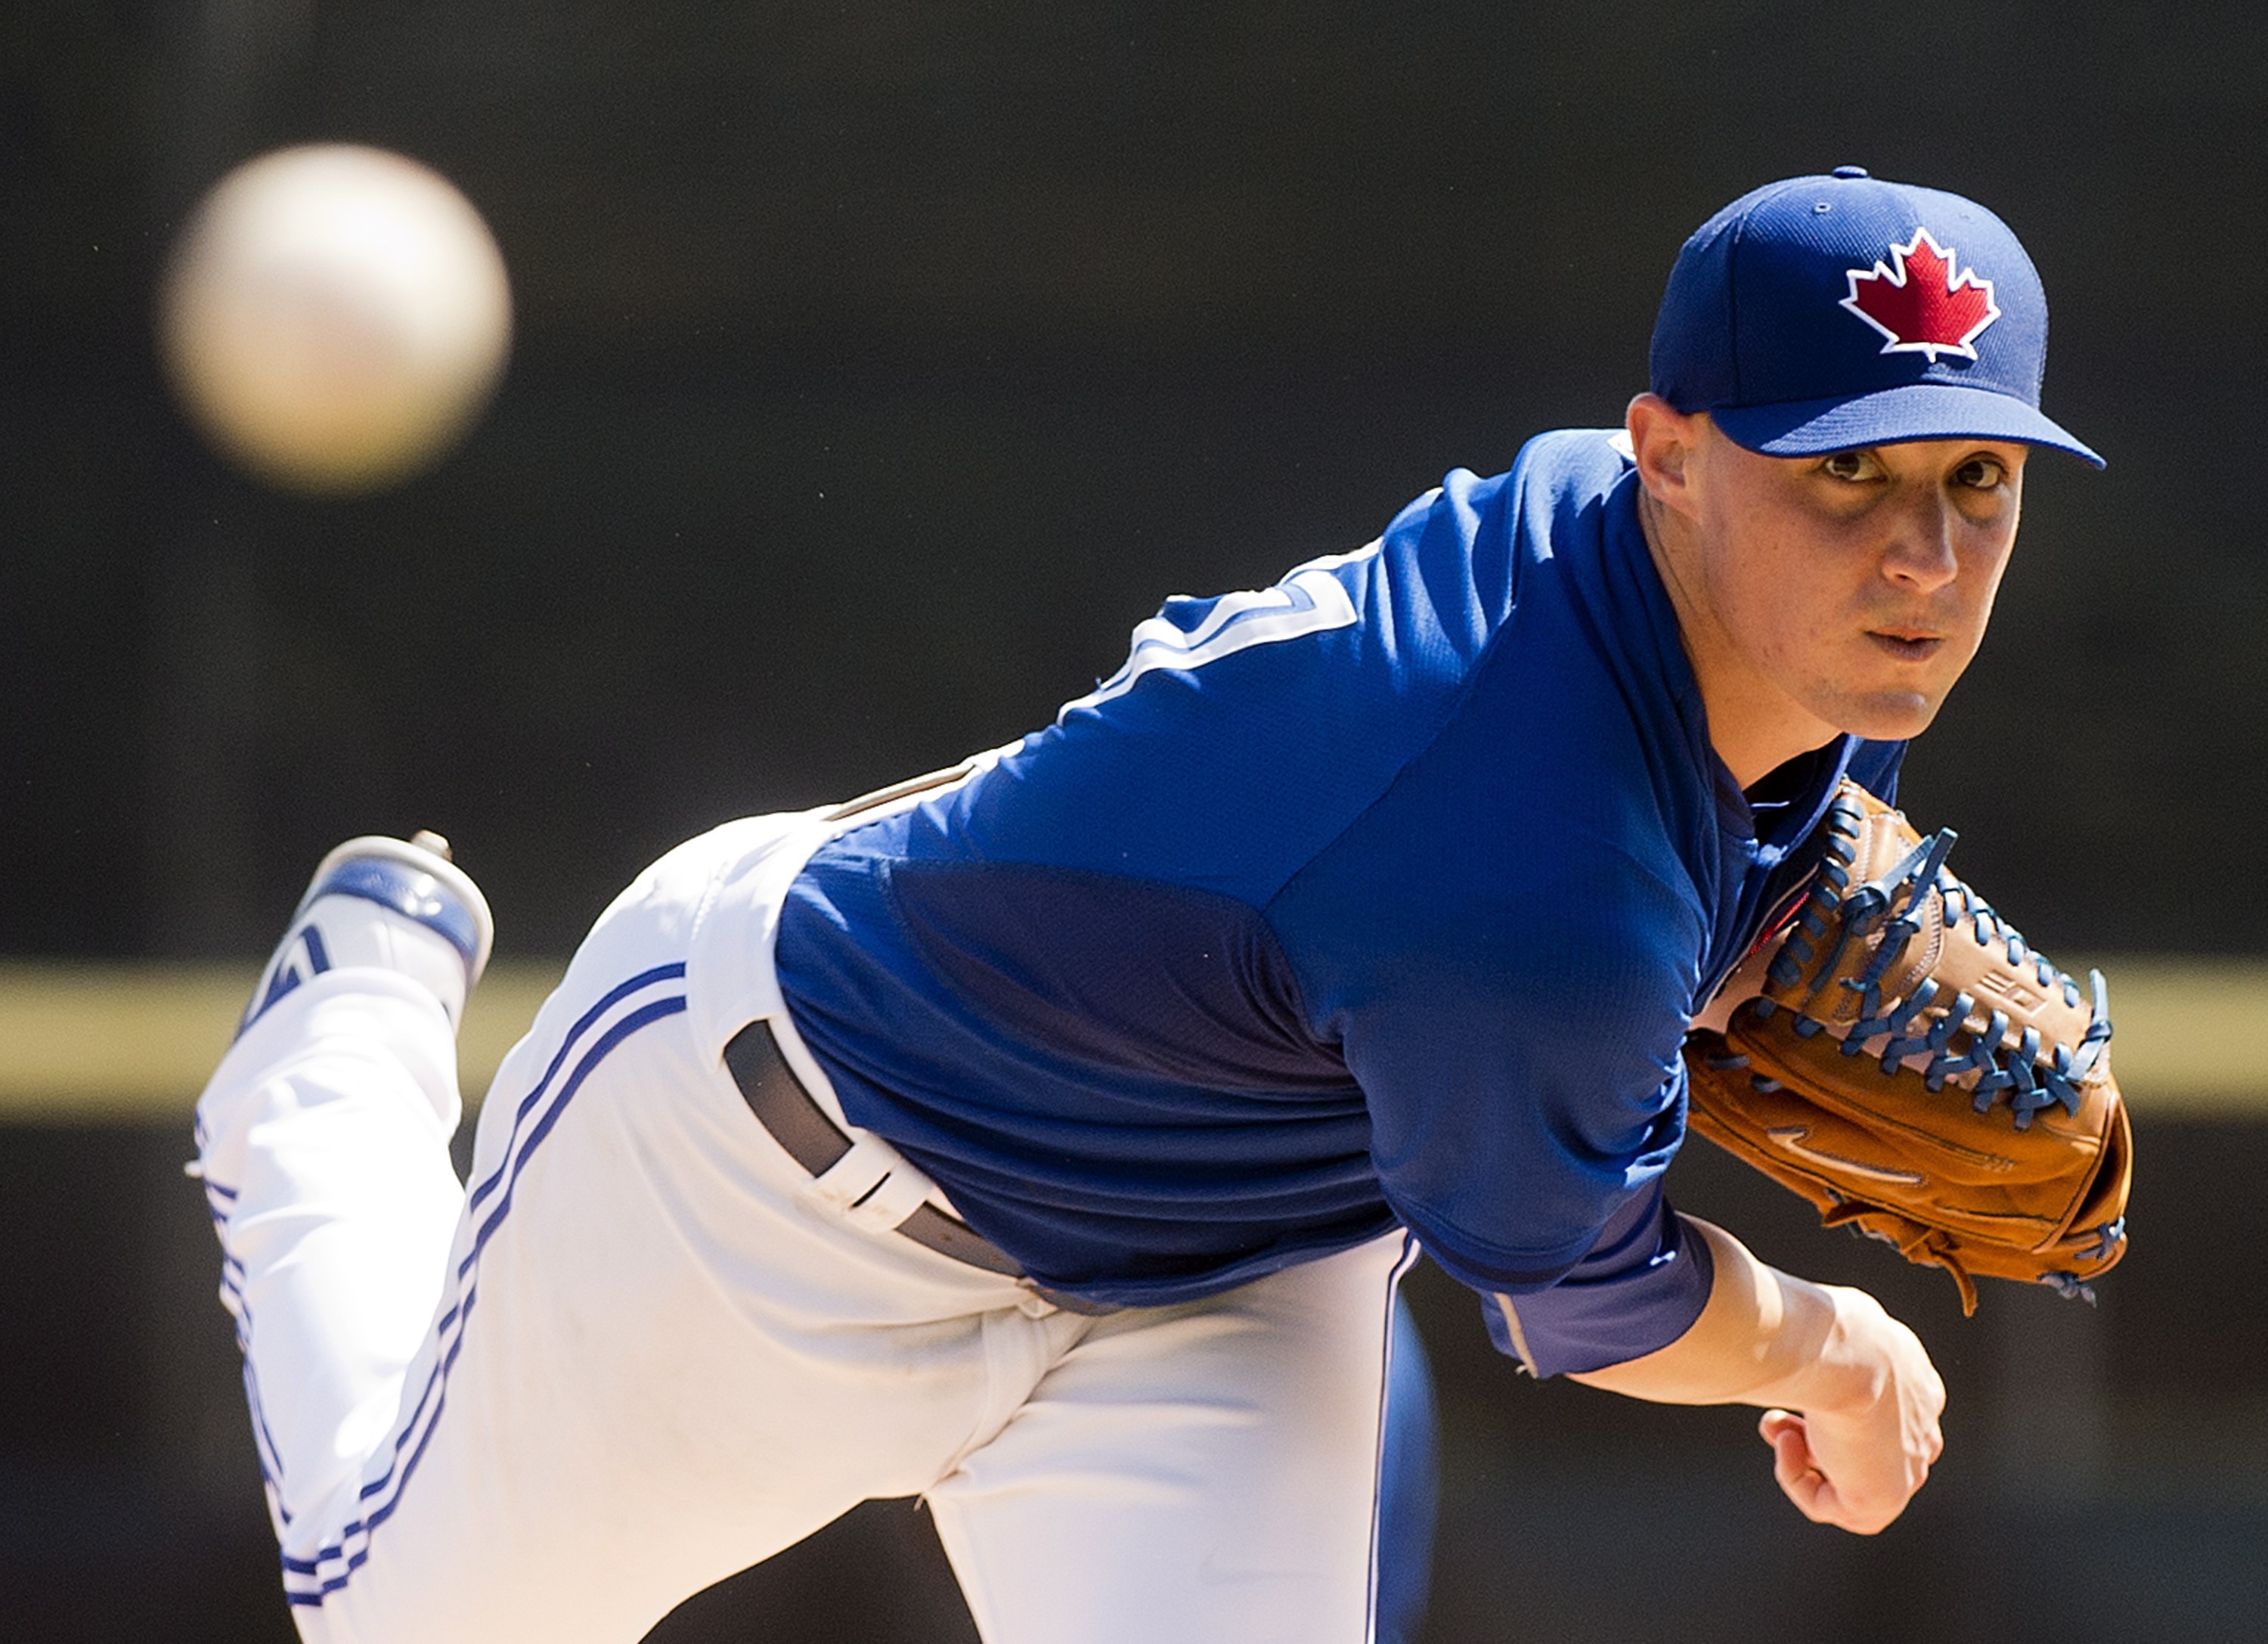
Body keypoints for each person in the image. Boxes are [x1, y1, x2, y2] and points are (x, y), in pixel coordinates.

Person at [192, 167, 2099, 1643]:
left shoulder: (1677, 584)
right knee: (400, 1622)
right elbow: (1582, 1300)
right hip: (772, 1178)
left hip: (1218, 1281)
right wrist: (1831, 1345)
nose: (1923, 556)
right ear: (1668, 454)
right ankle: (325, 1066)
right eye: (1845, 472)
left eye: (1977, 476)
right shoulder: (1538, 878)